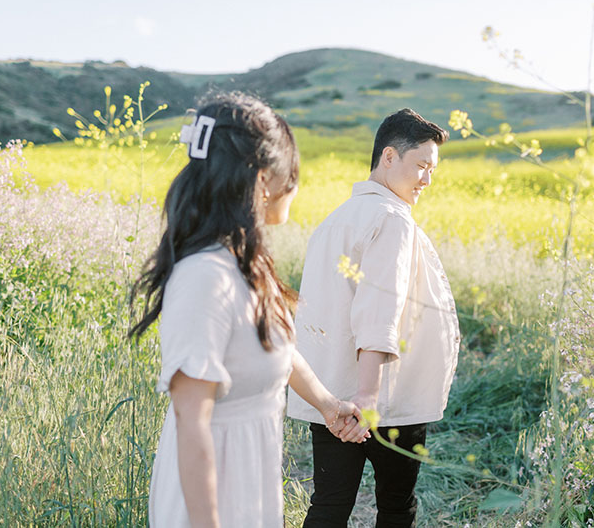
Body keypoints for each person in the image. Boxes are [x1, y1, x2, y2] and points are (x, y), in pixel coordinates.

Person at [129, 92, 368, 528]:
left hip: (248, 481)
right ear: (263, 179)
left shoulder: (243, 263)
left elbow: (272, 343)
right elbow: (191, 421)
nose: (296, 184)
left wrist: (328, 404)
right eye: (291, 170)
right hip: (212, 497)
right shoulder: (206, 278)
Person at [286, 108, 461, 527]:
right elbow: (378, 311)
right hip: (384, 401)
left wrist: (344, 400)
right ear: (388, 157)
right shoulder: (392, 219)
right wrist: (368, 396)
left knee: (328, 505)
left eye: (432, 171)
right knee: (396, 507)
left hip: (333, 400)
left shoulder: (333, 220)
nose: (427, 180)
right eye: (421, 166)